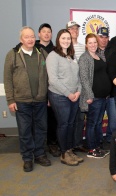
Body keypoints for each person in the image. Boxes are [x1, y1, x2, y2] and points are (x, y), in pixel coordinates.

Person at [4, 26, 51, 172]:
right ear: (21, 39)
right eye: (26, 37)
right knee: (25, 131)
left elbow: (48, 76)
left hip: (40, 100)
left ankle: (39, 154)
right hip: (22, 101)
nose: (30, 39)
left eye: (32, 36)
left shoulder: (41, 52)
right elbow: (7, 79)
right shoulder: (12, 54)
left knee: (41, 129)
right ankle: (27, 158)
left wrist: (48, 96)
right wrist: (11, 100)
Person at [46, 29, 83, 166]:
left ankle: (69, 150)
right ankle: (64, 153)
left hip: (74, 96)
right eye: (63, 38)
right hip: (59, 96)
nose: (66, 41)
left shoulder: (71, 56)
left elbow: (77, 77)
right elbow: (53, 80)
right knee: (63, 124)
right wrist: (69, 94)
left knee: (71, 124)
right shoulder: (53, 56)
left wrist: (78, 91)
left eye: (68, 38)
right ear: (58, 39)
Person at [79, 33, 112, 158]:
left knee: (98, 123)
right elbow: (84, 79)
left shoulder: (99, 56)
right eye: (90, 43)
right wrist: (89, 95)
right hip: (94, 97)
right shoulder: (84, 58)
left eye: (94, 42)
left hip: (103, 96)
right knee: (92, 123)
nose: (93, 45)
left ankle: (98, 146)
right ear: (86, 45)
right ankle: (91, 148)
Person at [35, 23, 61, 157]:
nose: (46, 34)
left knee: (52, 119)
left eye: (49, 32)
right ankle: (38, 146)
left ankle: (52, 143)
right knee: (38, 120)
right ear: (39, 34)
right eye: (43, 31)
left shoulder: (56, 49)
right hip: (37, 90)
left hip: (52, 89)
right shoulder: (33, 47)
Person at [66, 21, 87, 152]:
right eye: (71, 28)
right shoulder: (63, 48)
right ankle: (68, 146)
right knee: (69, 119)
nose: (74, 30)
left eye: (76, 28)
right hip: (68, 89)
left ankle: (78, 143)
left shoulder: (83, 47)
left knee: (80, 118)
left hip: (82, 89)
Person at [96, 27, 116, 144]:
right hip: (97, 92)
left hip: (112, 92)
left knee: (113, 120)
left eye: (106, 37)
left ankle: (110, 140)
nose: (103, 40)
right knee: (97, 120)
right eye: (101, 37)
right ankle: (98, 141)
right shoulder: (92, 51)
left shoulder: (114, 51)